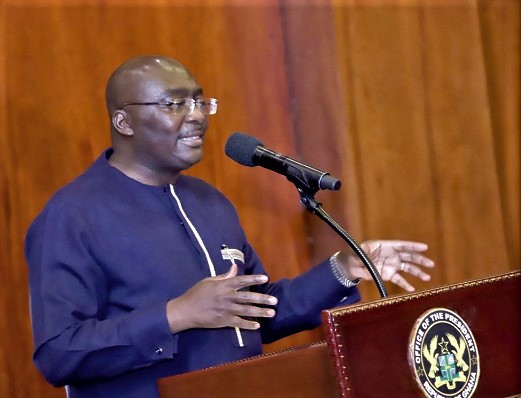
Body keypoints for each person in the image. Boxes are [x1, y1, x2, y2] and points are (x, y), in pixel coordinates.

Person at [25, 55, 435, 397]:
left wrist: (342, 271)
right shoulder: (72, 215)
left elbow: (256, 313)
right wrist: (175, 315)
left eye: (201, 102)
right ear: (124, 122)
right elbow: (59, 353)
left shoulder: (211, 203)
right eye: (175, 105)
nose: (198, 117)